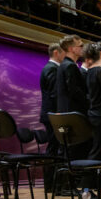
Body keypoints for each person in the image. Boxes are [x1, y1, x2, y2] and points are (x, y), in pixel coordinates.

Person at [39, 43, 64, 191]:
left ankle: (53, 184)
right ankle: (51, 184)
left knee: (54, 148)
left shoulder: (50, 68)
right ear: (56, 52)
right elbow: (55, 94)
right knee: (53, 149)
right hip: (53, 114)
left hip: (51, 114)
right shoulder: (51, 69)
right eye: (63, 52)